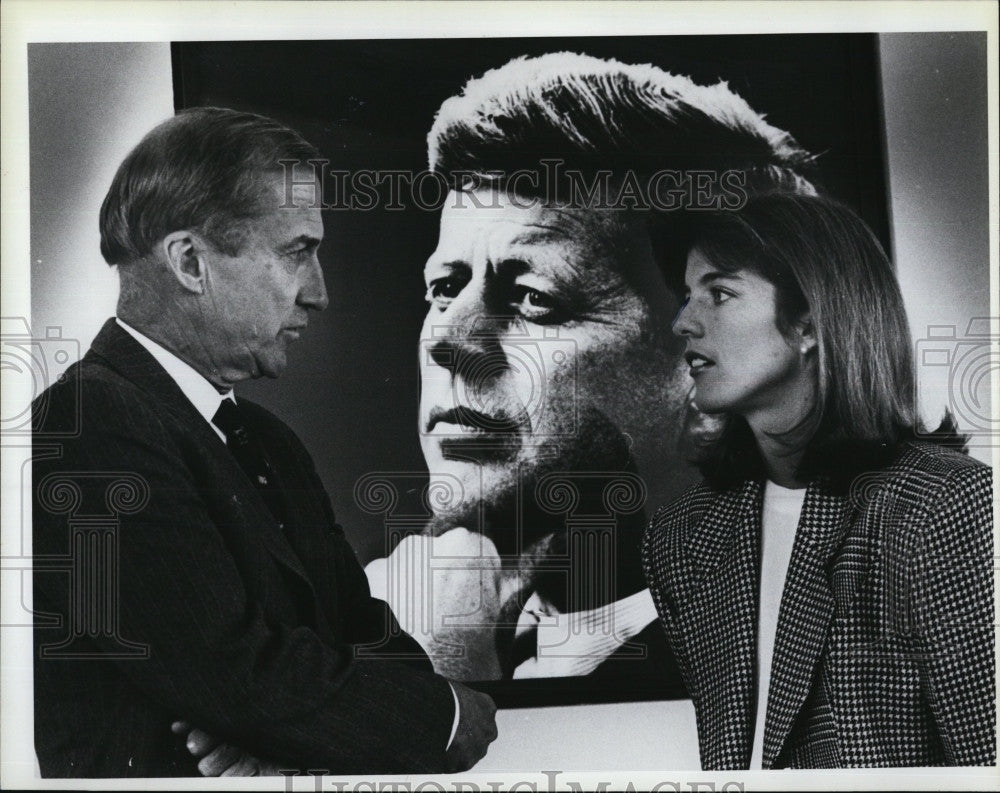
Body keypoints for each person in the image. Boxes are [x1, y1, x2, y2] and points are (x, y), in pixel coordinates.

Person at [31, 107, 496, 777]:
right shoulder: (84, 427)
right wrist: (441, 716)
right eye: (297, 251)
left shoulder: (268, 440)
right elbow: (233, 674)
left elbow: (370, 639)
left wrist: (270, 729)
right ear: (190, 261)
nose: (320, 293)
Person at [364, 51, 819, 684]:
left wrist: (438, 681)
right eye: (444, 289)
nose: (447, 338)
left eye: (535, 299)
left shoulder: (834, 646)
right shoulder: (378, 618)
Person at [643, 193, 994, 769]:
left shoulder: (944, 508)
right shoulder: (682, 537)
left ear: (808, 321)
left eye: (720, 293)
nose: (683, 321)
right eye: (687, 296)